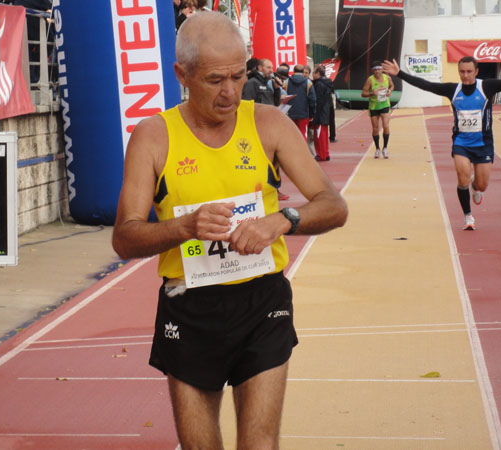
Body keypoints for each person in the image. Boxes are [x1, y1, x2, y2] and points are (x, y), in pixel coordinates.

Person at [112, 11, 348, 449]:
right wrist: (184, 227)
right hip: (189, 306)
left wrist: (283, 220)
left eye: (238, 76)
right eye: (215, 79)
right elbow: (124, 238)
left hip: (262, 301)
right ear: (182, 74)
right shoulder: (154, 136)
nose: (230, 93)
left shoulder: (267, 124)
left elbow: (333, 206)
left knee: (259, 444)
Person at [383, 57, 501, 230]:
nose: (465, 75)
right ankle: (468, 216)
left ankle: (476, 186)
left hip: (483, 144)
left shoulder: (486, 86)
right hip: (461, 143)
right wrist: (400, 74)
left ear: (476, 71)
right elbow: (427, 85)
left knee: (482, 185)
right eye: (462, 71)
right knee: (462, 178)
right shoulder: (453, 90)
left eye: (469, 72)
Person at [362, 61, 394, 158]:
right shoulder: (370, 80)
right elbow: (363, 93)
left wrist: (390, 91)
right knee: (375, 128)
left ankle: (385, 148)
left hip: (385, 105)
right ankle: (377, 149)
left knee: (386, 126)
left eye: (379, 69)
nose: (377, 71)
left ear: (382, 69)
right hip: (374, 107)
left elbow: (392, 86)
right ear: (372, 71)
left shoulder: (387, 78)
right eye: (375, 70)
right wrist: (372, 93)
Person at [285, 65, 316, 139]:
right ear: (303, 72)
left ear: (293, 71)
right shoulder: (308, 83)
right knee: (303, 136)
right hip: (303, 114)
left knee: (291, 136)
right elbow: (313, 100)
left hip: (290, 114)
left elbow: (283, 97)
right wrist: (312, 114)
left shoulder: (286, 82)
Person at [312, 64, 333, 161]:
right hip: (325, 113)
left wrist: (315, 115)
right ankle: (325, 153)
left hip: (320, 114)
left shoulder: (318, 84)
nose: (312, 74)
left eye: (314, 72)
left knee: (319, 136)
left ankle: (321, 154)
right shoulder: (327, 83)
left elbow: (318, 101)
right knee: (323, 135)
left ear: (318, 74)